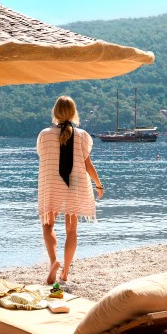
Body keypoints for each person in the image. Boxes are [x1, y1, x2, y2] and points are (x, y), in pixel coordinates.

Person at [37, 95, 104, 286]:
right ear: (74, 113)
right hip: (74, 185)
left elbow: (43, 157)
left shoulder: (44, 134)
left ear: (55, 113)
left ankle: (53, 262)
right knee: (71, 230)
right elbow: (88, 164)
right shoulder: (82, 135)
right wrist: (98, 184)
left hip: (51, 185)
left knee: (48, 225)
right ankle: (65, 272)